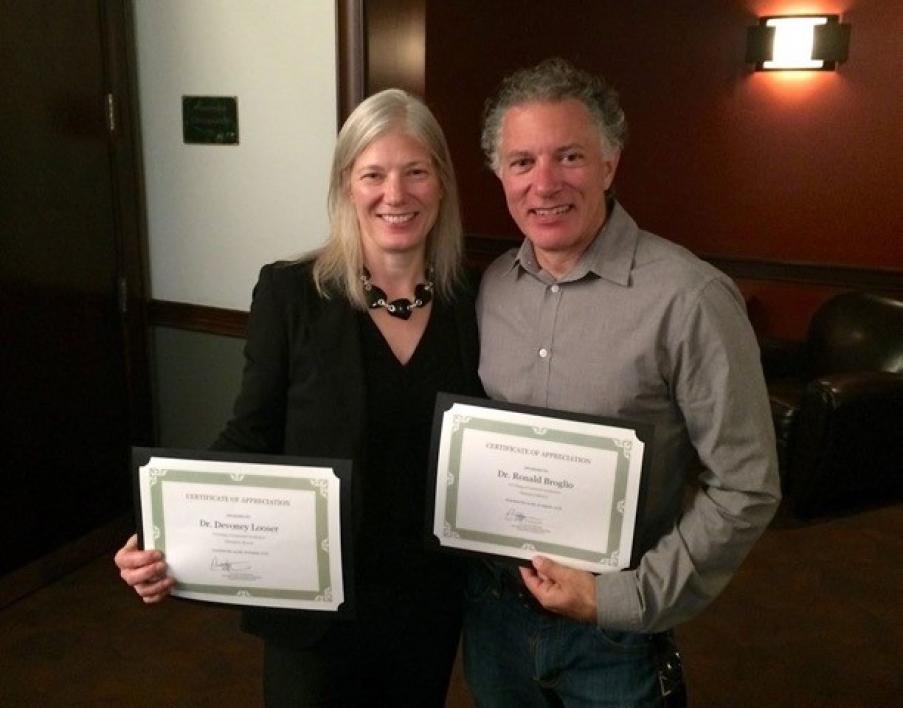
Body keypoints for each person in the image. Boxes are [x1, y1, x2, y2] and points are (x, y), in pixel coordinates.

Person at [114, 88, 483, 707]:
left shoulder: (471, 303)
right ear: (346, 186)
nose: (396, 195)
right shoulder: (291, 295)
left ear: (441, 183)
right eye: (373, 174)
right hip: (310, 602)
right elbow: (248, 433)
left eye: (416, 171)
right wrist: (162, 533)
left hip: (425, 601)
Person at [465, 58, 781, 707]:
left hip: (612, 638)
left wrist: (623, 598)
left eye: (570, 156)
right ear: (500, 174)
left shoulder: (688, 299)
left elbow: (746, 485)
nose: (544, 183)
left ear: (609, 164)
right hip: (493, 616)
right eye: (522, 161)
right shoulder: (491, 288)